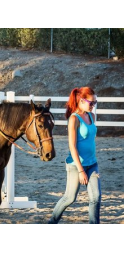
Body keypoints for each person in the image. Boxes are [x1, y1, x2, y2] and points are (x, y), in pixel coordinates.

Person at [48, 87, 101, 224]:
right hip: (76, 165)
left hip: (92, 163)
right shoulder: (74, 119)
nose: (93, 105)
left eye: (95, 102)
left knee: (96, 197)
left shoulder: (91, 116)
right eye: (91, 103)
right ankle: (52, 222)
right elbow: (72, 146)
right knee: (70, 198)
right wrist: (81, 170)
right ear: (81, 101)